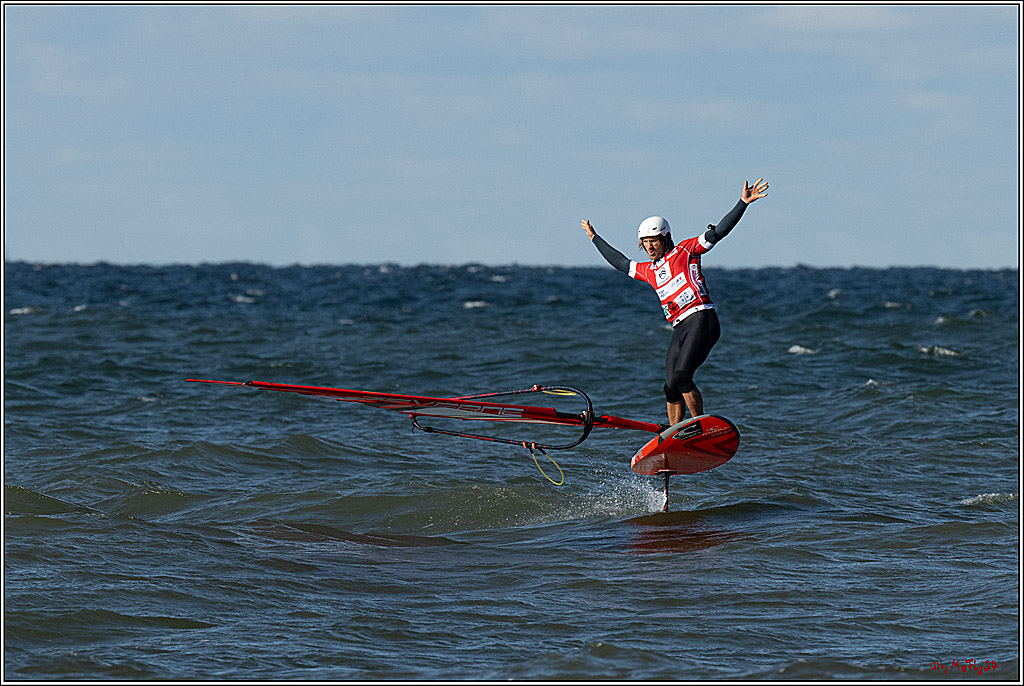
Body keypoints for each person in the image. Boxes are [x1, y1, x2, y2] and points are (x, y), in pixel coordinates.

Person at [581, 178, 769, 426]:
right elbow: (620, 262)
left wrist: (742, 203)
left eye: (654, 241)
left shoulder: (686, 251)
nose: (649, 247)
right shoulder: (648, 270)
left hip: (702, 319)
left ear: (666, 238)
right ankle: (676, 433)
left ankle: (698, 426)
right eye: (645, 243)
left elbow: (718, 232)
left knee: (682, 375)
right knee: (670, 386)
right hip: (680, 328)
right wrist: (595, 238)